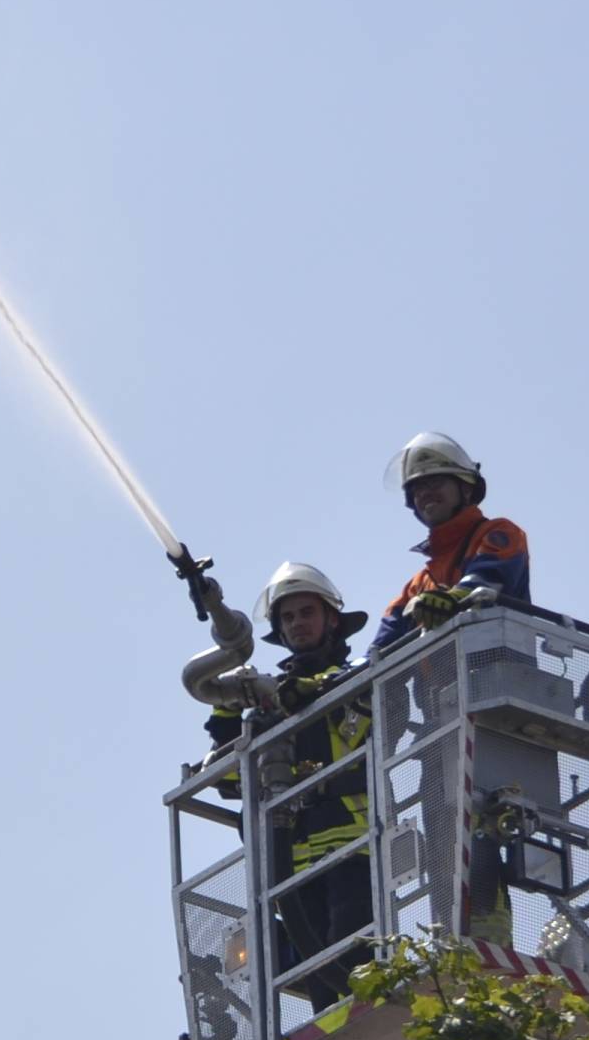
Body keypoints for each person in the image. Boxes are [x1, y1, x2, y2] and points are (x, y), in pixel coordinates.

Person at [180, 562, 374, 1007]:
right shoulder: (271, 701)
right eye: (287, 617)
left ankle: (366, 1016)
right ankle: (335, 1033)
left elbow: (365, 723)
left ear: (332, 620)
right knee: (315, 964)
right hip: (291, 857)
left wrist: (306, 692)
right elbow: (233, 778)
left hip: (353, 843)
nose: (297, 623)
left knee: (353, 947)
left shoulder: (360, 676)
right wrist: (229, 712)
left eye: (306, 612)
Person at [367, 431, 530, 653]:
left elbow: (486, 581)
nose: (425, 493)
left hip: (498, 667)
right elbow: (379, 648)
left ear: (466, 489)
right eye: (417, 488)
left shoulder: (499, 533)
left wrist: (450, 599)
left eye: (435, 482)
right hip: (442, 676)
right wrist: (340, 674)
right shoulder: (418, 585)